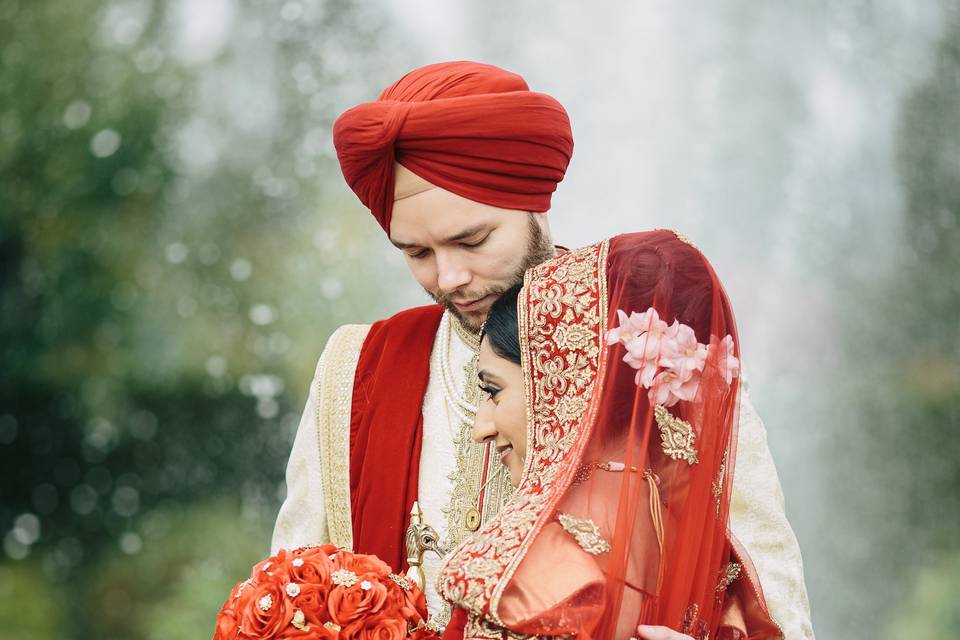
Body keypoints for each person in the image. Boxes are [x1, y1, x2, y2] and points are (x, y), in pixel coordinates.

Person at [270, 61, 814, 638]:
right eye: (417, 253)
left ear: (535, 204)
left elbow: (773, 599)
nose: (449, 277)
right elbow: (298, 585)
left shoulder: (652, 355)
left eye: (472, 240)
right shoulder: (358, 367)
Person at [437, 232, 783, 639]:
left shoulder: (536, 574)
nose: (482, 428)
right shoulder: (703, 558)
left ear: (563, 387)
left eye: (493, 391)